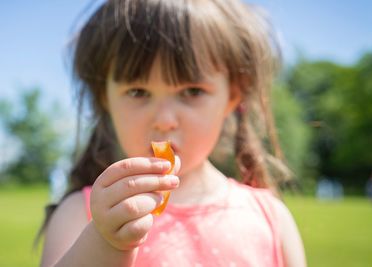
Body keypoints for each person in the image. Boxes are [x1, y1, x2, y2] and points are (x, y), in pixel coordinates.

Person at [39, 0, 306, 266]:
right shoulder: (82, 215)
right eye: (138, 92)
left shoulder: (271, 218)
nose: (165, 121)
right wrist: (106, 243)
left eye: (192, 91)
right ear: (105, 98)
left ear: (232, 97)